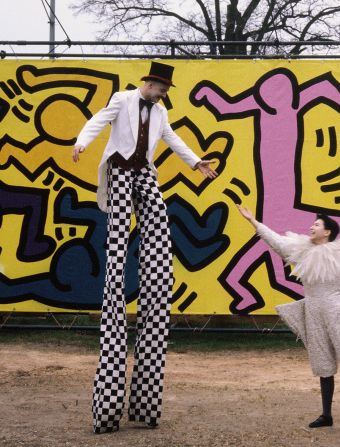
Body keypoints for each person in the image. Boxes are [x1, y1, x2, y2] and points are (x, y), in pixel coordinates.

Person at [73, 61, 218, 434]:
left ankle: (156, 262)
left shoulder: (161, 112)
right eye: (161, 88)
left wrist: (196, 162)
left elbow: (172, 139)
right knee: (120, 229)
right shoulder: (122, 99)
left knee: (157, 212)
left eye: (166, 90)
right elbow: (97, 120)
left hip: (143, 173)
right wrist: (82, 142)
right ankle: (118, 260)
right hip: (120, 171)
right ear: (149, 83)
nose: (164, 93)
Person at [237, 204, 340, 434]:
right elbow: (276, 241)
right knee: (323, 363)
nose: (311, 226)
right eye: (313, 224)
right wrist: (253, 221)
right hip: (314, 311)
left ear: (327, 232)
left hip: (338, 311)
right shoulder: (302, 250)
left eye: (317, 225)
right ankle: (326, 415)